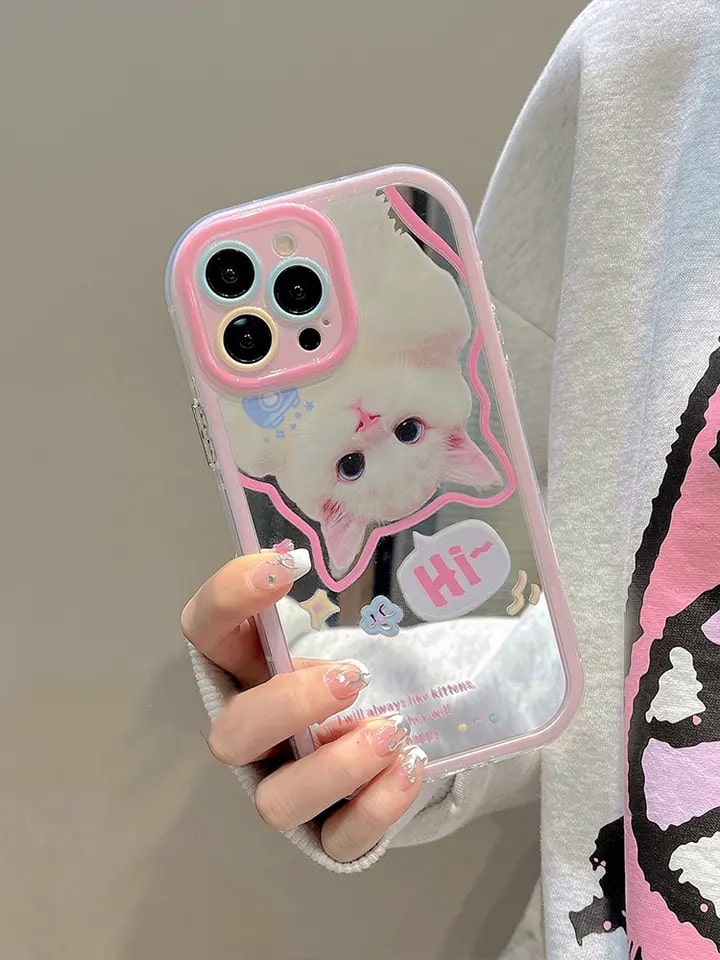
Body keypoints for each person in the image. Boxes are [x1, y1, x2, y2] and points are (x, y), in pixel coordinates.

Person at [182, 1, 720, 956]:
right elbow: (605, 637)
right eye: (357, 458)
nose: (363, 431)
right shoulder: (655, 53)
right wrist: (360, 715)